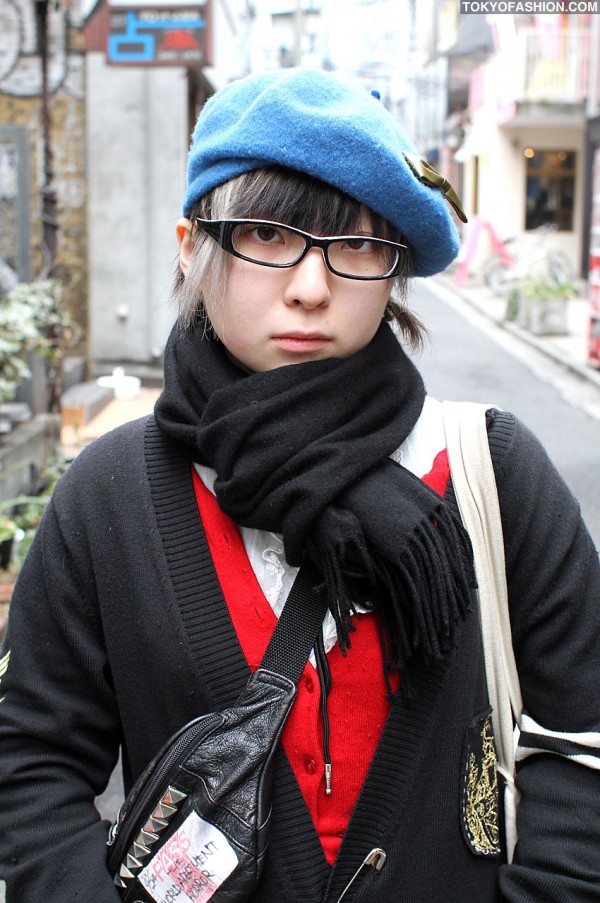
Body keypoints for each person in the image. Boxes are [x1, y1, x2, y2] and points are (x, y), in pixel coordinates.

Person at [1, 67, 599, 903]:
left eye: (356, 245)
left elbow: (581, 737)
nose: (311, 287)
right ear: (192, 247)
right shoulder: (110, 496)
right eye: (269, 236)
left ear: (394, 269)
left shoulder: (492, 475)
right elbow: (30, 761)